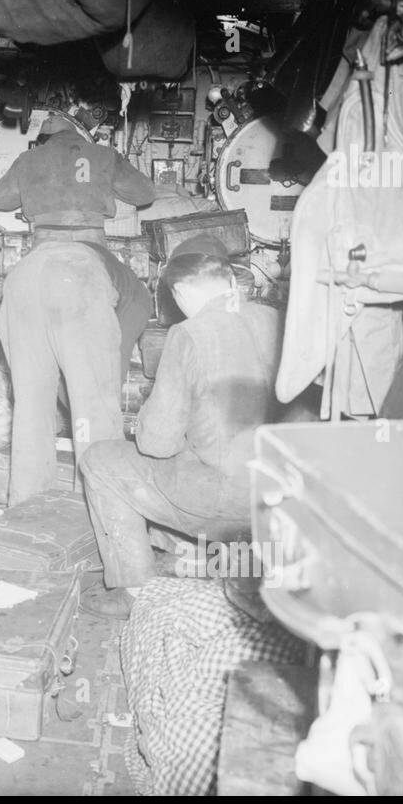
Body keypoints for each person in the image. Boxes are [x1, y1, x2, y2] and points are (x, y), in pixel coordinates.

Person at [77, 248, 282, 619]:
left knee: (102, 461)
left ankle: (133, 590)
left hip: (228, 500)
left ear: (181, 295)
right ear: (232, 280)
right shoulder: (275, 318)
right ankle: (193, 558)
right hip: (282, 496)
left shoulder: (189, 333)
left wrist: (145, 420)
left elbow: (156, 444)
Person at [0, 115, 156, 505]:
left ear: (42, 140)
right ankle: (101, 507)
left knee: (30, 406)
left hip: (27, 274)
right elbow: (145, 193)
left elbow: (0, 200)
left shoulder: (28, 160)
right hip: (85, 260)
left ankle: (26, 508)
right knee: (96, 404)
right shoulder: (101, 153)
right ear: (77, 134)